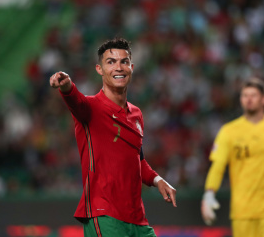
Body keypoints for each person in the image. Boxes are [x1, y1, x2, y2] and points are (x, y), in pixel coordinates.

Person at [49, 37, 176, 237]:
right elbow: (75, 100)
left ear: (132, 67)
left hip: (138, 220)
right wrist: (66, 85)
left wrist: (158, 180)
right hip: (104, 215)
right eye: (111, 62)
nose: (118, 67)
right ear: (99, 69)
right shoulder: (90, 108)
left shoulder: (137, 114)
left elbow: (137, 160)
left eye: (123, 62)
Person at [201, 78, 264, 237]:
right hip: (242, 211)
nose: (249, 99)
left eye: (253, 95)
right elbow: (218, 166)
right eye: (245, 95)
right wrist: (209, 194)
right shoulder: (229, 131)